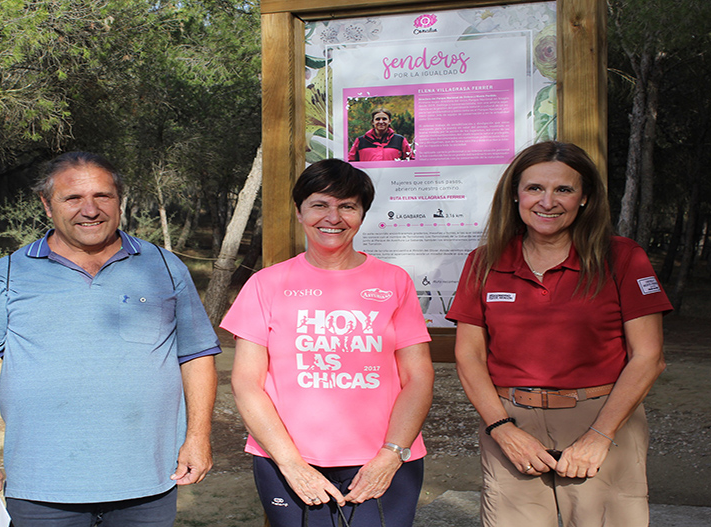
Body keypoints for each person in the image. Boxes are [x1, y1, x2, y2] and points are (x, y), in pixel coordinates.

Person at [0, 151, 220, 527]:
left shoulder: (163, 265)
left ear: (119, 201)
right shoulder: (6, 275)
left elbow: (196, 357)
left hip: (147, 481)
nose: (90, 210)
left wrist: (198, 437)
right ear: (47, 205)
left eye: (103, 196)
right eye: (72, 198)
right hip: (42, 486)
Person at [446, 141, 672, 527]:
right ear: (515, 194)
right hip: (511, 421)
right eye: (534, 188)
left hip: (602, 417)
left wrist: (599, 436)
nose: (547, 201)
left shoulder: (622, 257)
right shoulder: (484, 262)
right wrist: (502, 430)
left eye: (563, 189)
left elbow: (649, 356)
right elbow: (469, 356)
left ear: (584, 198)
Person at [222, 159, 434, 527]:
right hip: (288, 459)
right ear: (299, 211)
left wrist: (391, 455)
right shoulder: (266, 285)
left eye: (347, 206)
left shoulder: (394, 282)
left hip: (381, 459)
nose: (333, 217)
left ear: (362, 214)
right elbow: (245, 382)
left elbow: (418, 377)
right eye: (320, 204)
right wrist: (291, 464)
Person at [348, 109, 413, 162]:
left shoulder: (400, 140)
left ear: (389, 121)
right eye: (378, 119)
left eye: (384, 119)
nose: (381, 122)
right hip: (367, 177)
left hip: (393, 177)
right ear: (373, 122)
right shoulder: (361, 141)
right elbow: (351, 161)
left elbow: (411, 161)